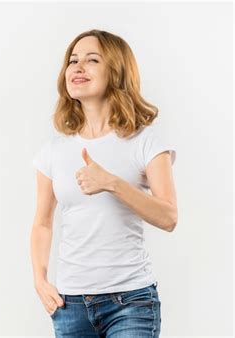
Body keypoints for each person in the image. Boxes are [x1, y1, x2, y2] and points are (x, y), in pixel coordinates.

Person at [30, 29, 177, 337]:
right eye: (73, 60)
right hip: (69, 306)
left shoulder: (145, 141)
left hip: (132, 303)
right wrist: (40, 279)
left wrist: (112, 183)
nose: (77, 67)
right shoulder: (53, 151)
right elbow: (43, 222)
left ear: (116, 71)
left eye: (92, 59)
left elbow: (169, 217)